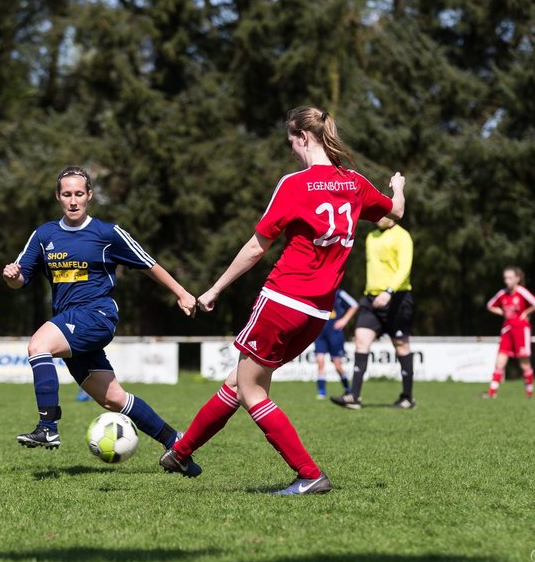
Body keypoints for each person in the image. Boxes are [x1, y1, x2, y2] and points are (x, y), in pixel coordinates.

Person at [159, 106, 405, 495]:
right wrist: (398, 186)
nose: (290, 149)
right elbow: (396, 210)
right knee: (239, 382)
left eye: (291, 141)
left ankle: (309, 474)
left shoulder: (295, 184)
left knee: (253, 390)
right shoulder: (355, 183)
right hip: (316, 312)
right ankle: (181, 452)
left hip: (283, 299)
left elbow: (257, 248)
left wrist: (214, 289)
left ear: (303, 137)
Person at [2, 166, 200, 474]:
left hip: (97, 314)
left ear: (90, 196)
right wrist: (11, 276)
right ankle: (176, 443)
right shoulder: (44, 236)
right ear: (58, 197)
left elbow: (148, 263)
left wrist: (182, 293)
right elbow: (20, 279)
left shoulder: (107, 233)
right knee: (112, 399)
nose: (73, 200)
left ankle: (48, 425)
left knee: (38, 345)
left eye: (79, 194)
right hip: (68, 320)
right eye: (66, 194)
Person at [330, 215, 415, 410]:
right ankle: (354, 396)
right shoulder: (371, 237)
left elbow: (404, 268)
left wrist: (389, 291)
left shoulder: (402, 236)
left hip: (397, 298)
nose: (377, 218)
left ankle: (407, 397)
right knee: (361, 339)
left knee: (401, 346)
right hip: (370, 299)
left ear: (393, 215)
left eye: (382, 214)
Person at [484, 266, 535, 398]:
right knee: (499, 362)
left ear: (517, 279)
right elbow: (489, 305)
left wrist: (526, 312)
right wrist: (503, 313)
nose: (507, 281)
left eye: (510, 278)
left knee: (524, 363)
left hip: (521, 330)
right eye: (505, 278)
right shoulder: (502, 293)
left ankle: (529, 393)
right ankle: (492, 393)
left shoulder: (522, 292)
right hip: (507, 330)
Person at [313, 287, 359, 399]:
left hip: (334, 334)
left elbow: (354, 305)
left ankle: (348, 388)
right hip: (320, 334)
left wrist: (344, 320)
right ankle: (321, 392)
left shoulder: (338, 293)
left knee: (337, 365)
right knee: (320, 362)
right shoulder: (315, 291)